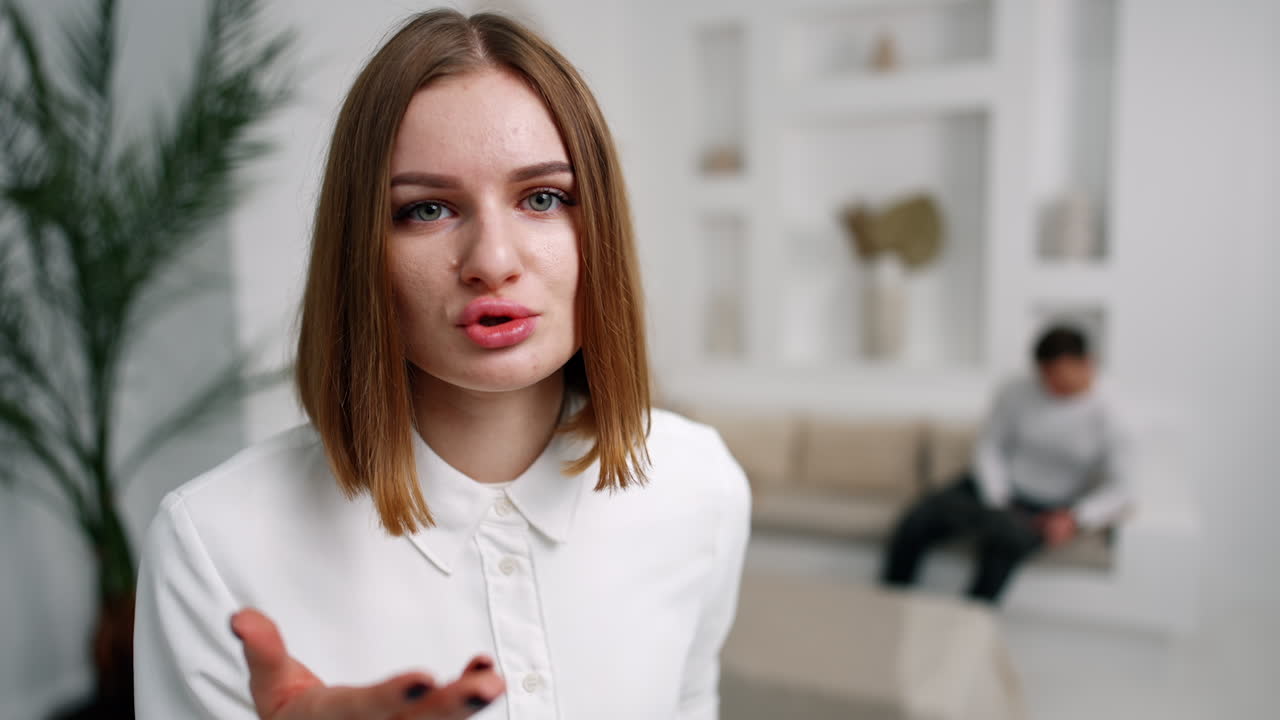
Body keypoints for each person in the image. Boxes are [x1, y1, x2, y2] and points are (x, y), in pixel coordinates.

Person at [133, 10, 751, 719]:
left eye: (543, 198)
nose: (492, 261)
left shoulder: (700, 485)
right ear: (361, 251)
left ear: (599, 229)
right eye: (427, 209)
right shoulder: (214, 546)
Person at [881, 325, 1133, 604]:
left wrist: (1075, 518)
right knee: (915, 521)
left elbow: (1123, 487)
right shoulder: (1015, 391)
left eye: (1060, 378)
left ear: (1088, 364)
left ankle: (964, 632)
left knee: (1001, 549)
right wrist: (997, 497)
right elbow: (990, 446)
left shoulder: (1114, 414)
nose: (1051, 386)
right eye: (1045, 377)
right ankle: (889, 607)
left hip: (1048, 508)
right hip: (995, 489)